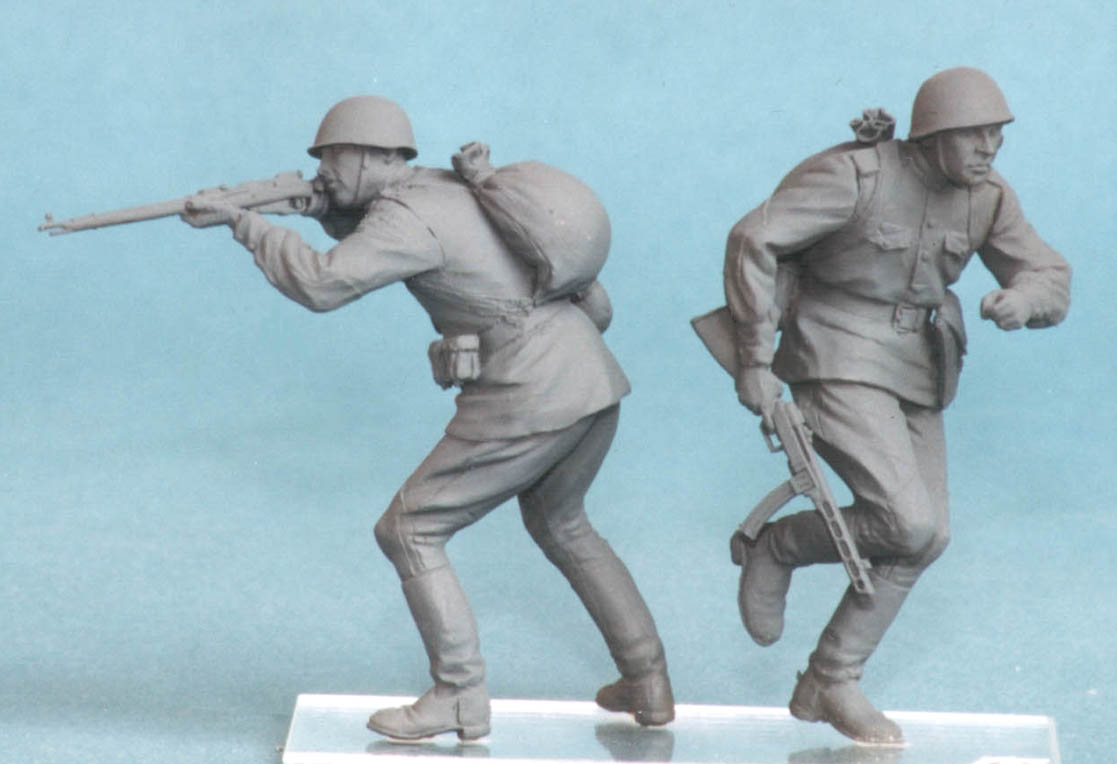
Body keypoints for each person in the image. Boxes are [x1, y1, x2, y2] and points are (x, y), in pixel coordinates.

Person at [183, 96, 674, 740]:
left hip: (528, 391)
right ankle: (648, 679)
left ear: (373, 156)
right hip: (588, 377)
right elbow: (398, 240)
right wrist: (315, 208)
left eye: (333, 157)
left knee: (409, 529)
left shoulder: (404, 217)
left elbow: (323, 285)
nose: (323, 170)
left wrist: (246, 224)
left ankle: (460, 694)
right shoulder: (445, 189)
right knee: (564, 524)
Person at [720, 68, 1070, 744]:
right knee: (905, 522)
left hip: (918, 367)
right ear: (933, 135)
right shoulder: (855, 177)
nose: (989, 147)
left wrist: (1024, 299)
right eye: (973, 134)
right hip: (836, 352)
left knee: (926, 535)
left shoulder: (988, 198)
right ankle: (778, 546)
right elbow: (752, 240)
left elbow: (1048, 272)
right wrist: (755, 359)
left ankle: (830, 679)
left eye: (996, 134)